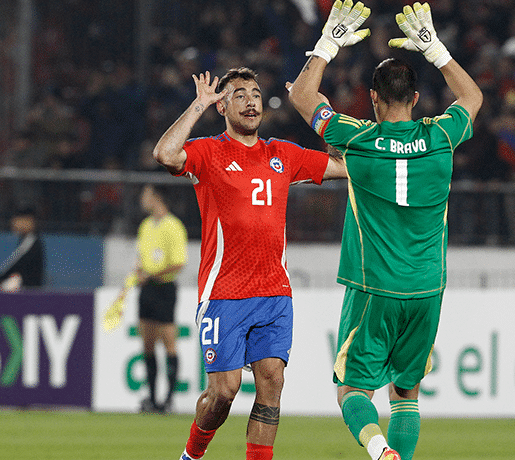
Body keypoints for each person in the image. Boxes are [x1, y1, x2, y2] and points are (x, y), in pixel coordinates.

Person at [288, 2, 482, 460]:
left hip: (374, 287)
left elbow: (300, 96)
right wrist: (436, 52)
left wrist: (327, 43)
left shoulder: (356, 140)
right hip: (427, 288)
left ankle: (380, 452)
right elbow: (472, 98)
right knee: (406, 392)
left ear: (373, 99)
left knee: (351, 389)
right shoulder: (442, 137)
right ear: (416, 99)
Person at [152, 66, 346, 460]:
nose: (250, 100)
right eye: (239, 94)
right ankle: (191, 455)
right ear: (222, 105)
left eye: (255, 93)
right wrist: (197, 105)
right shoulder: (209, 151)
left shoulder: (282, 154)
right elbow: (165, 154)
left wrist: (321, 114)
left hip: (274, 291)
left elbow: (342, 167)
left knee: (272, 382)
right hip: (224, 293)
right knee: (223, 391)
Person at [133, 184, 188, 413]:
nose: (142, 199)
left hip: (164, 288)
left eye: (145, 195)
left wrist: (151, 274)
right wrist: (138, 272)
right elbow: (141, 257)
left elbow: (178, 263)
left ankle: (168, 399)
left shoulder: (173, 226)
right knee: (147, 342)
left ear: (156, 198)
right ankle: (153, 398)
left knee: (168, 342)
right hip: (147, 290)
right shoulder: (145, 226)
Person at [0, 207, 45, 291]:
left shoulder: (31, 240)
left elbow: (15, 263)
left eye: (17, 220)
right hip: (25, 287)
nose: (14, 223)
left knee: (10, 281)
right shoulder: (25, 239)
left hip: (28, 289)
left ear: (29, 221)